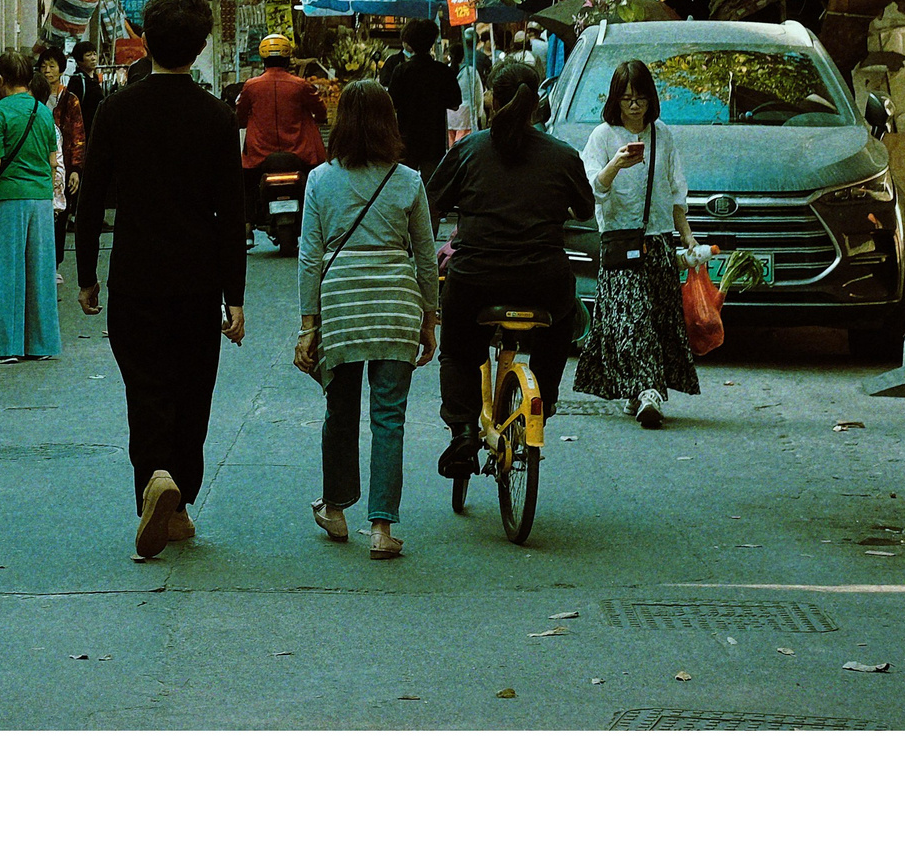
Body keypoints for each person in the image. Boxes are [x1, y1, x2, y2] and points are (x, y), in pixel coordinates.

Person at [75, 0, 247, 561]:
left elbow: (91, 199)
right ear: (199, 49)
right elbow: (232, 213)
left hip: (134, 276)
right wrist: (236, 294)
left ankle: (154, 479)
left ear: (145, 43)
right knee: (192, 389)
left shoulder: (118, 111)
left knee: (145, 386)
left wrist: (85, 275)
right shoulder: (217, 118)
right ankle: (180, 496)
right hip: (197, 281)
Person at [427, 61, 597, 479]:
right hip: (544, 279)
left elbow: (429, 201)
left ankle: (463, 430)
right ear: (539, 102)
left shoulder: (468, 150)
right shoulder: (562, 155)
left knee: (459, 348)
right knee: (562, 321)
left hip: (476, 278)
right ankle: (545, 396)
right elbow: (586, 210)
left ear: (494, 101)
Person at [292, 80, 437, 560]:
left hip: (343, 308)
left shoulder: (320, 180)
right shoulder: (409, 180)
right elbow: (425, 257)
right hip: (396, 304)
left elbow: (310, 258)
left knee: (341, 409)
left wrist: (307, 325)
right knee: (389, 417)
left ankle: (335, 507)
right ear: (388, 123)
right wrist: (430, 317)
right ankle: (381, 528)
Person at [573, 58, 709, 428]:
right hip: (619, 242)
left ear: (651, 99)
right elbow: (591, 192)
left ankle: (641, 389)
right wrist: (615, 164)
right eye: (627, 98)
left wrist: (688, 240)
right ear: (615, 100)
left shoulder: (662, 134)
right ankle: (649, 392)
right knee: (631, 321)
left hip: (658, 241)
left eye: (641, 98)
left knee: (657, 320)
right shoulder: (602, 137)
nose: (634, 105)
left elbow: (676, 191)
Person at [0, 48, 61, 363]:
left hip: (9, 199)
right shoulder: (44, 112)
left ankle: (6, 346)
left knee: (5, 272)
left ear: (0, 79)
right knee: (40, 271)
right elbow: (52, 162)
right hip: (40, 199)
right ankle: (41, 343)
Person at [237, 33, 327, 250]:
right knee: (318, 184)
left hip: (260, 155)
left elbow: (240, 117)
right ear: (288, 59)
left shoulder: (251, 86)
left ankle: (247, 228)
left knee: (246, 186)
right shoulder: (301, 85)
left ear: (263, 59)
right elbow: (320, 111)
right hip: (299, 152)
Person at [384, 20, 462, 173]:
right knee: (430, 188)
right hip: (434, 140)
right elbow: (455, 104)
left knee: (406, 183)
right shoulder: (443, 72)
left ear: (409, 43)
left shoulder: (401, 71)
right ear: (432, 42)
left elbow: (392, 104)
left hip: (407, 139)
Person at [36, 48, 86, 273]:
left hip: (62, 166)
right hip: (37, 165)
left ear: (61, 69)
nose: (48, 71)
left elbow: (77, 135)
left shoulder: (70, 100)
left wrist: (75, 168)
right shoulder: (34, 97)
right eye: (44, 66)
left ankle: (54, 265)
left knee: (60, 214)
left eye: (52, 66)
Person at [69, 41, 107, 120]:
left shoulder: (95, 78)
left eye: (94, 54)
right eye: (88, 55)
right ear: (79, 59)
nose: (93, 58)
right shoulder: (77, 81)